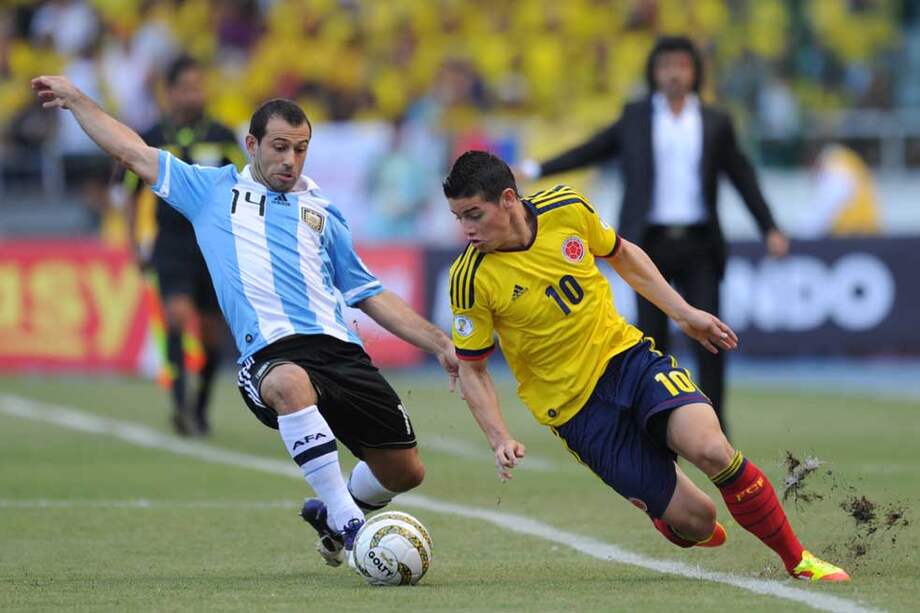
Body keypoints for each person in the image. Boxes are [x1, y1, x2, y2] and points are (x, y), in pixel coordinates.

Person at [33, 74, 459, 567]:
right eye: (280, 147)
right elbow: (133, 152)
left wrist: (437, 342)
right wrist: (78, 100)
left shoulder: (322, 210)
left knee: (405, 471)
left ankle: (334, 510)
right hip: (271, 354)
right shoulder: (212, 190)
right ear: (252, 144)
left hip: (341, 351)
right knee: (289, 384)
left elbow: (369, 293)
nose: (290, 160)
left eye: (301, 149)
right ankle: (349, 524)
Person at [444, 150, 848, 582]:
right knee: (698, 520)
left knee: (713, 449)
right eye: (458, 218)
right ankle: (667, 517)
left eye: (473, 214)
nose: (466, 230)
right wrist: (498, 436)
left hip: (627, 360)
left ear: (508, 199)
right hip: (578, 413)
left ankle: (800, 561)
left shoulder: (566, 207)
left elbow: (622, 254)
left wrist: (683, 313)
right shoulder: (469, 278)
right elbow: (473, 368)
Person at [517, 36, 790, 434]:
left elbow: (741, 175)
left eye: (682, 65)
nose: (674, 74)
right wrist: (537, 169)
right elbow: (591, 150)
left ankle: (715, 426)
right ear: (654, 72)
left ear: (695, 71)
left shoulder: (716, 121)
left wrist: (769, 227)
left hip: (699, 244)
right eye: (666, 66)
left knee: (709, 335)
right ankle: (659, 423)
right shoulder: (636, 116)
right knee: (652, 339)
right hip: (648, 243)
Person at [122, 55, 245, 436]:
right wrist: (134, 245)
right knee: (176, 316)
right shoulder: (153, 136)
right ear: (170, 92)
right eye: (187, 88)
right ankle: (178, 405)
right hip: (171, 244)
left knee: (212, 335)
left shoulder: (222, 136)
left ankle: (199, 405)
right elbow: (129, 195)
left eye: (199, 86)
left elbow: (246, 187)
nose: (195, 95)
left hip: (212, 246)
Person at [799, 143, 881, 238]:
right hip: (867, 229)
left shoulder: (835, 171)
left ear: (813, 164)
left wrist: (802, 233)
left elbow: (823, 209)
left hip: (857, 234)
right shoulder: (845, 160)